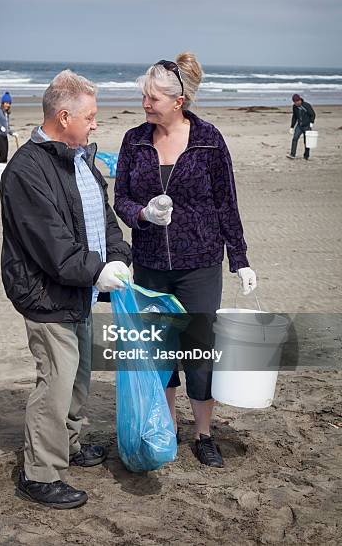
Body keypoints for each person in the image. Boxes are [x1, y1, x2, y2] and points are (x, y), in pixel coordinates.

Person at [114, 53, 256, 468]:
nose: (145, 103)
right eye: (143, 95)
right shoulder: (134, 140)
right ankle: (166, 424)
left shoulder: (209, 140)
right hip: (150, 264)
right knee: (158, 349)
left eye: (152, 97)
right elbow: (120, 196)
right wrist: (141, 214)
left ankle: (204, 433)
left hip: (200, 264)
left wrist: (240, 258)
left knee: (197, 348)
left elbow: (227, 203)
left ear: (178, 101)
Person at [0, 70, 131, 509]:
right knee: (54, 385)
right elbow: (53, 246)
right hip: (47, 295)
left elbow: (104, 220)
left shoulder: (81, 160)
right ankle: (39, 472)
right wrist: (98, 272)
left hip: (81, 291)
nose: (96, 124)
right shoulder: (26, 171)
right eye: (91, 116)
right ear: (63, 115)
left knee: (78, 379)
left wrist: (118, 258)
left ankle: (68, 444)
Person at [0, 92, 18, 163]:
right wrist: (0, 126)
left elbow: (7, 127)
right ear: (2, 103)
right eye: (6, 103)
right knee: (2, 156)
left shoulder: (6, 113)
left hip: (4, 136)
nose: (7, 105)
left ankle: (1, 172)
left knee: (5, 157)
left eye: (9, 103)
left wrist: (12, 133)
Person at [287, 93, 316, 160]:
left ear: (300, 100)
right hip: (299, 126)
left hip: (307, 126)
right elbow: (294, 117)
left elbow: (313, 114)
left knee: (307, 142)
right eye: (295, 102)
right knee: (295, 138)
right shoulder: (294, 107)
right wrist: (292, 127)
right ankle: (292, 154)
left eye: (297, 101)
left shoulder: (306, 105)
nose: (297, 103)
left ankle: (306, 156)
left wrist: (311, 123)